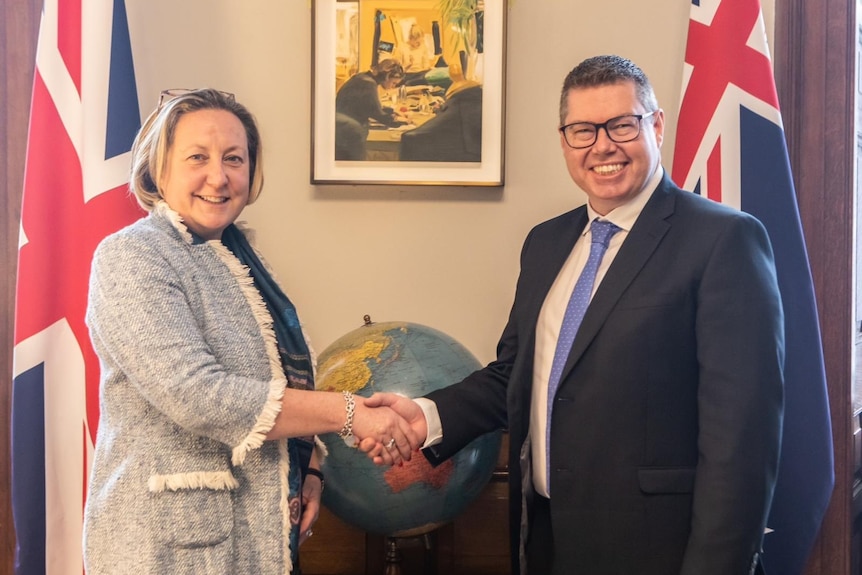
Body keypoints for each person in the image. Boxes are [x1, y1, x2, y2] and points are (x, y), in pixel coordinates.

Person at [363, 55, 784, 575]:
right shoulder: (546, 243)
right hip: (546, 539)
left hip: (661, 552)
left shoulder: (723, 240)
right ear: (565, 141)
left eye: (621, 125)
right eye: (583, 130)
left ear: (655, 125)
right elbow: (515, 377)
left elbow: (742, 439)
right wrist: (424, 416)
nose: (602, 146)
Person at [82, 88, 420, 574]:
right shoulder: (132, 256)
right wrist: (348, 413)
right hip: (167, 551)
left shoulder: (241, 260)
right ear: (159, 168)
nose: (218, 177)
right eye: (197, 157)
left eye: (234, 159)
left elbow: (281, 382)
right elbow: (195, 394)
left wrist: (310, 469)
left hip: (251, 536)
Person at [335, 59, 405, 160]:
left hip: (345, 122)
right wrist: (401, 121)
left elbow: (368, 105)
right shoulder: (368, 83)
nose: (392, 87)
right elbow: (378, 114)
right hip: (350, 129)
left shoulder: (363, 77)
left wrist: (393, 111)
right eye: (393, 83)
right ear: (387, 76)